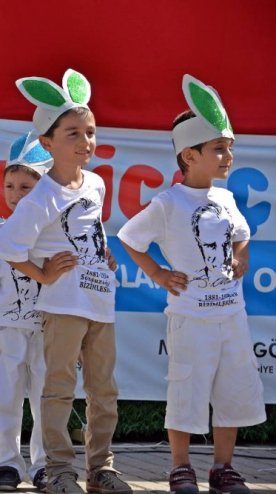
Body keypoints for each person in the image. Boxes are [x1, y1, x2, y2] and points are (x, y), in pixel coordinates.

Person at [117, 74, 265, 494]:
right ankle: (180, 467)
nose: (227, 156)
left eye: (229, 148)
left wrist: (240, 258)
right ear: (189, 155)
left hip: (231, 317)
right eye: (219, 149)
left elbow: (242, 234)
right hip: (190, 318)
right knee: (187, 389)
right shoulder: (168, 203)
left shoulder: (227, 198)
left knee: (233, 388)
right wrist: (157, 273)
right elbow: (130, 237)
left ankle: (224, 467)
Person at [0, 69, 131, 494]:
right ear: (47, 143)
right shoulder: (40, 197)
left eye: (89, 132)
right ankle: (58, 471)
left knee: (104, 390)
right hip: (63, 306)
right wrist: (43, 275)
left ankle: (101, 468)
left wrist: (100, 252)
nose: (85, 141)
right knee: (57, 392)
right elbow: (9, 248)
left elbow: (90, 228)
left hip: (100, 303)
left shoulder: (96, 183)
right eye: (73, 133)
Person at [0, 132, 64, 491]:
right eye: (10, 185)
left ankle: (43, 465)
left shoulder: (56, 235)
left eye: (25, 186)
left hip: (46, 331)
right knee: (6, 400)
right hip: (5, 331)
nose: (15, 193)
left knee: (44, 402)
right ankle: (6, 465)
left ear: (42, 189)